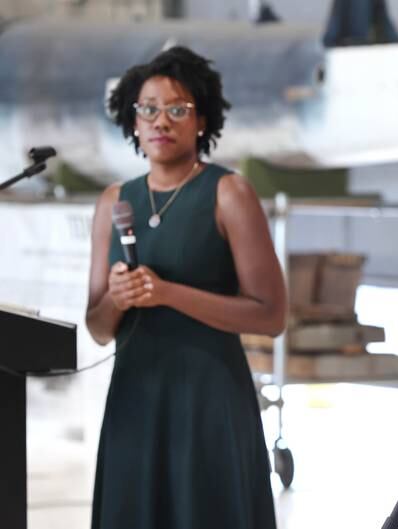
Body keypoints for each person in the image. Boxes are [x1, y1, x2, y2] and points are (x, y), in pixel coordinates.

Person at [85, 46, 287, 529]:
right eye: (148, 109)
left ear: (202, 120)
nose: (161, 120)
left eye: (177, 109)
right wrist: (119, 296)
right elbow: (96, 328)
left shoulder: (229, 193)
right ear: (132, 121)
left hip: (209, 400)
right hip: (135, 400)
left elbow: (270, 315)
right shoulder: (114, 200)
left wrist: (168, 293)